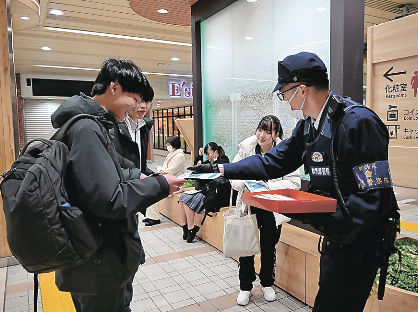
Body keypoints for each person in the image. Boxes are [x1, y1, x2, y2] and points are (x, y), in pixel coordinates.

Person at [189, 52, 399, 312]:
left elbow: (373, 198)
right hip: (336, 234)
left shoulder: (358, 122)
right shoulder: (310, 126)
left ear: (302, 90)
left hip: (360, 242)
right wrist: (221, 168)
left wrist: (326, 220)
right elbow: (273, 162)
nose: (284, 99)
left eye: (284, 92)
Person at [51, 58, 185, 312]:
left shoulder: (94, 125)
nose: (137, 107)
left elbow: (114, 168)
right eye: (133, 99)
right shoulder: (87, 128)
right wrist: (160, 186)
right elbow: (111, 199)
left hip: (94, 258)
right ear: (114, 89)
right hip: (98, 263)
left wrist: (140, 176)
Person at [232, 115, 301, 306]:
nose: (261, 135)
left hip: (272, 207)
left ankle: (267, 284)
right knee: (246, 248)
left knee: (269, 247)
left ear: (276, 134)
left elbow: (295, 182)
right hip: (249, 205)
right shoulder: (247, 149)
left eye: (267, 131)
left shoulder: (284, 153)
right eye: (260, 130)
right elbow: (233, 175)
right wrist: (246, 182)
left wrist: (269, 186)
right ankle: (245, 287)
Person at [179, 142, 229, 243]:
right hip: (205, 190)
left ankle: (191, 228)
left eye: (208, 153)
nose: (207, 156)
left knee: (186, 200)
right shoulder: (209, 162)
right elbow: (196, 169)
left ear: (216, 152)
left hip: (212, 194)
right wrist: (199, 157)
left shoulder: (223, 162)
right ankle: (185, 227)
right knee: (181, 199)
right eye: (206, 154)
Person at [144, 135, 187, 226]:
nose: (168, 147)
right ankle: (150, 215)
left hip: (175, 183)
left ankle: (154, 218)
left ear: (174, 145)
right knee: (150, 188)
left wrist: (161, 170)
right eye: (167, 145)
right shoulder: (172, 154)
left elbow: (171, 171)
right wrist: (161, 170)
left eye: (169, 145)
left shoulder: (179, 156)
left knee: (154, 190)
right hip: (168, 180)